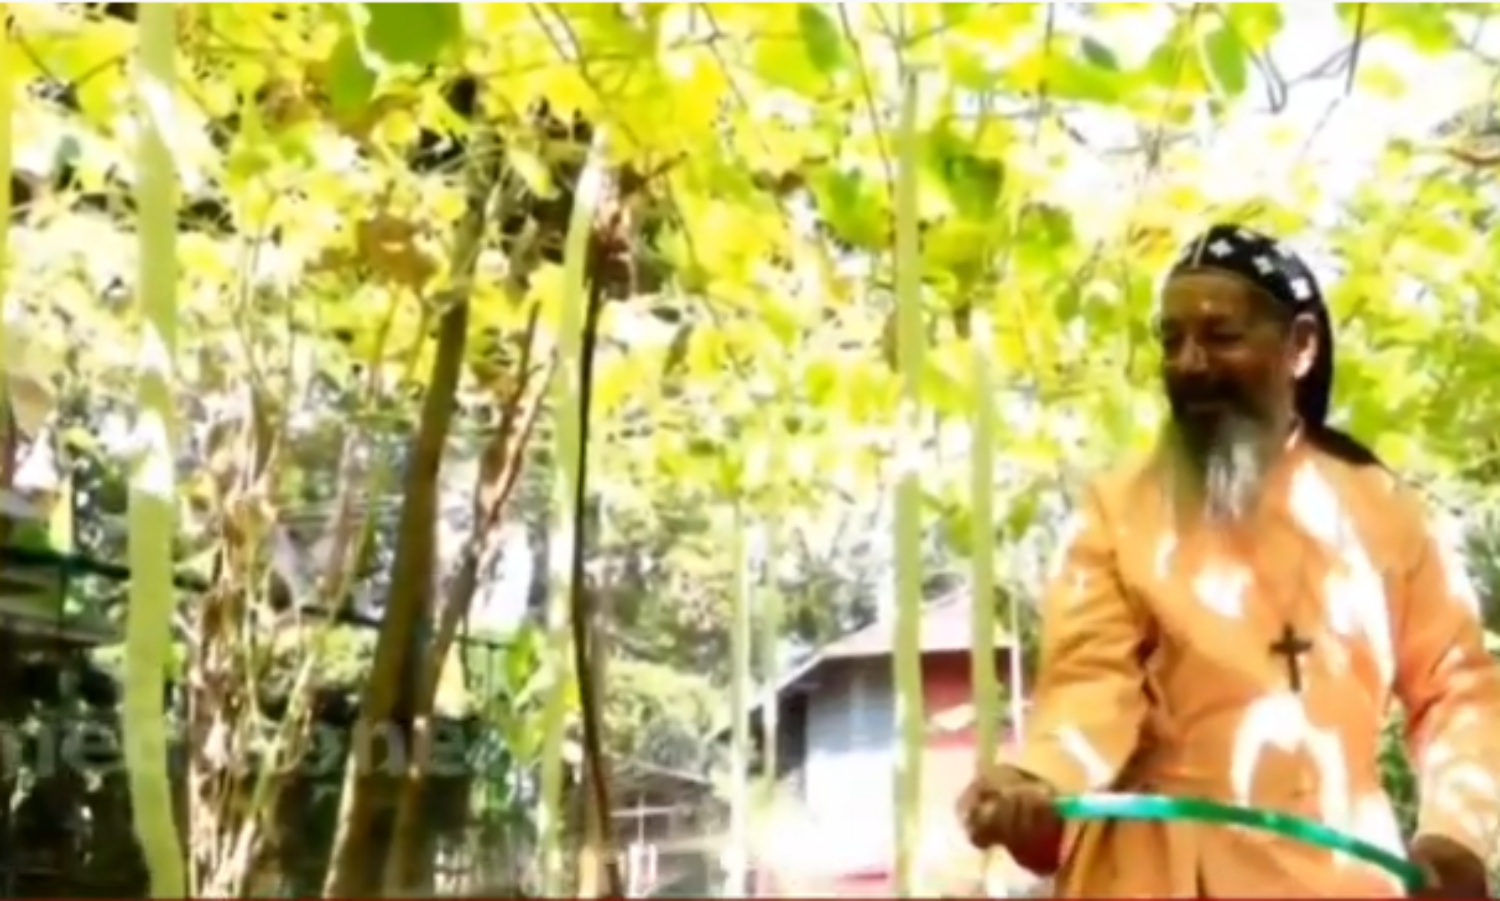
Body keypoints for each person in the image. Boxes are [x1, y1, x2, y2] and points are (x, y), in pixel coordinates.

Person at [958, 224, 1500, 897]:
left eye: (1221, 336)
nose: (1190, 363)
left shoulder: (1382, 509)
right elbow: (1089, 684)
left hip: (1342, 869)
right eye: (1171, 340)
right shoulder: (1117, 509)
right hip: (1152, 872)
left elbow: (1458, 688)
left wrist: (1456, 834)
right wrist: (1039, 780)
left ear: (1301, 346)